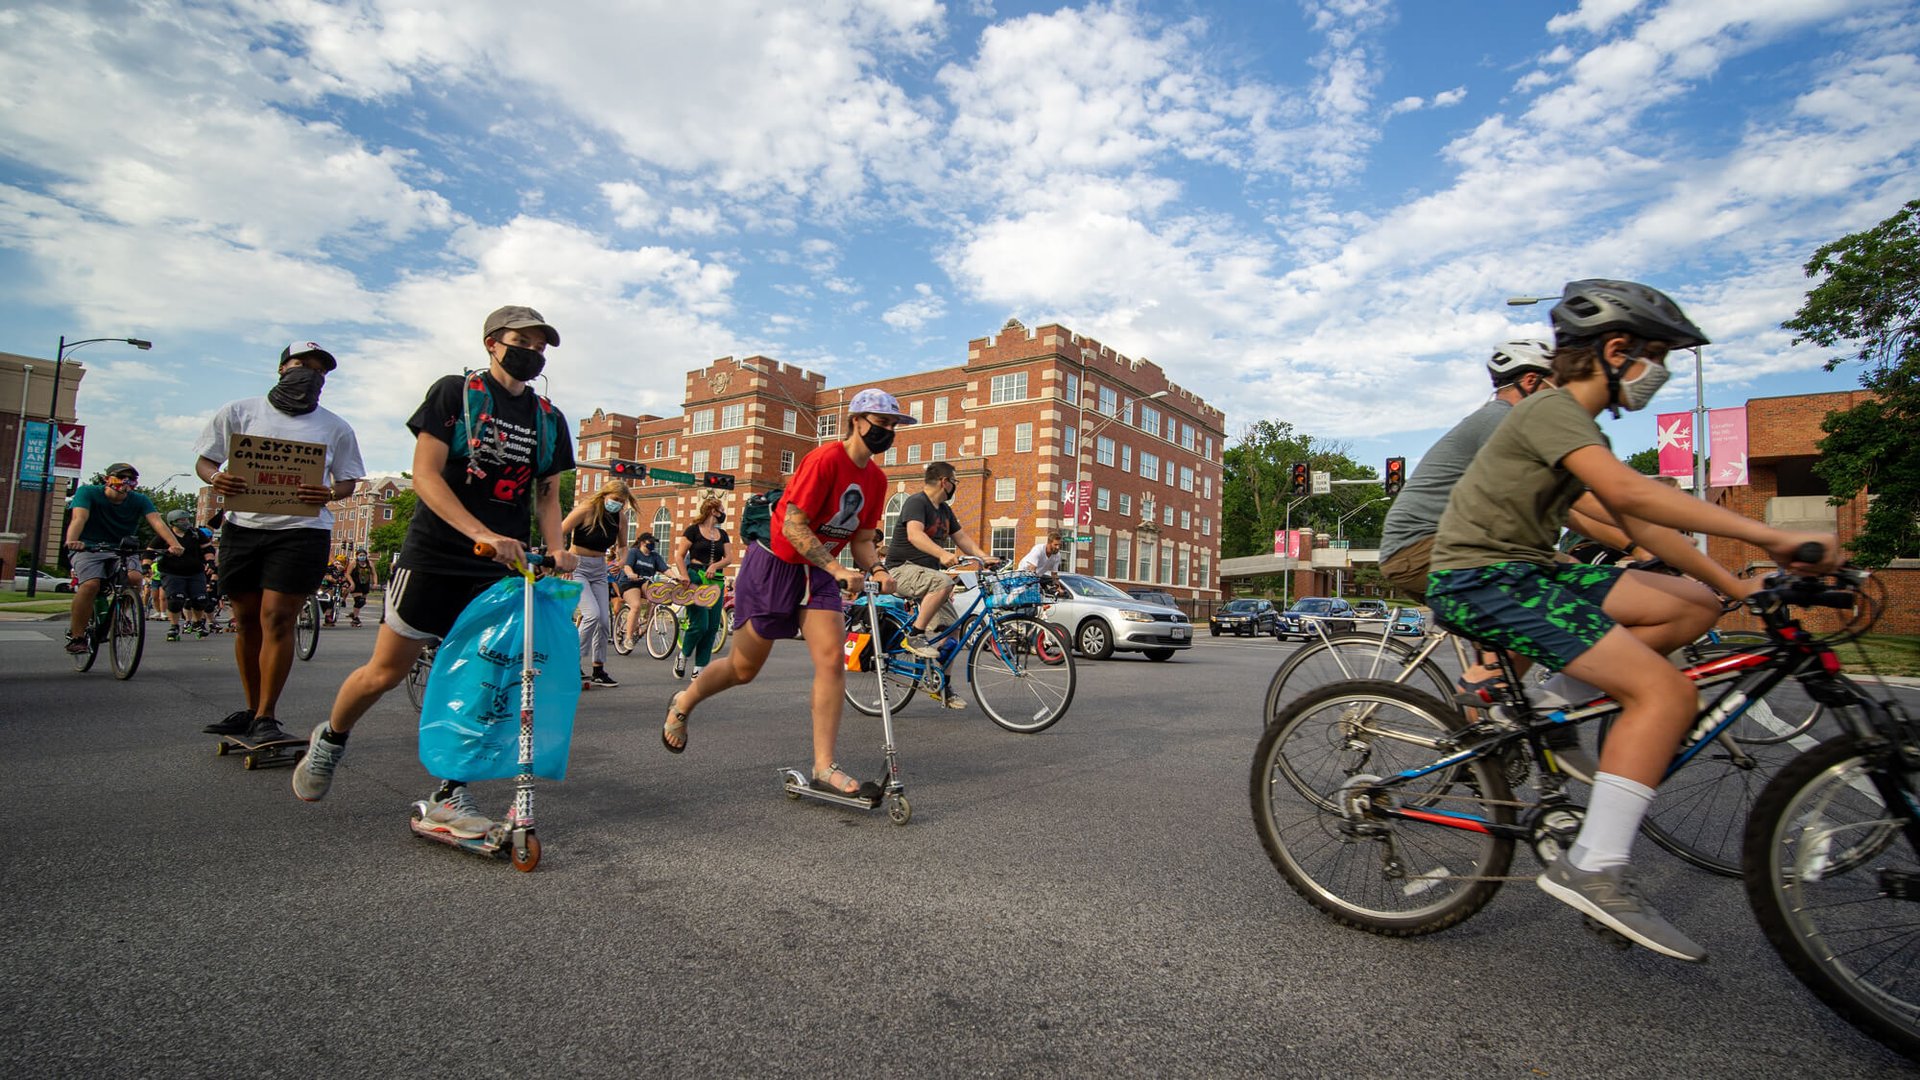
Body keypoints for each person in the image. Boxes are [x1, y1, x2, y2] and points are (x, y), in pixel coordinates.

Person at [1423, 279, 1839, 962]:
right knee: (1666, 691)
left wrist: (1730, 583)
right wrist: (1772, 537)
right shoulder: (1552, 409)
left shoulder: (1570, 424)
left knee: (1692, 605)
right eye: (1658, 357)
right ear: (1616, 350)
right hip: (1483, 579)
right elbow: (1627, 492)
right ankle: (1594, 866)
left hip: (1534, 571)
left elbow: (1637, 517)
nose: (1660, 374)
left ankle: (1557, 707)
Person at [291, 305, 576, 842]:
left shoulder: (548, 418)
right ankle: (330, 738)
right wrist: (481, 533)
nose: (533, 354)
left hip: (505, 567)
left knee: (484, 675)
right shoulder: (455, 394)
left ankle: (450, 791)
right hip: (436, 555)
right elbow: (424, 475)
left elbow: (547, 495)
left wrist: (558, 548)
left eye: (541, 346)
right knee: (386, 670)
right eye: (523, 341)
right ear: (493, 343)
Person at [660, 388, 907, 799]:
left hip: (821, 572)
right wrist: (835, 566)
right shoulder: (825, 460)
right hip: (775, 564)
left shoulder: (877, 480)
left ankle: (824, 766)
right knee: (743, 669)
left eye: (893, 425)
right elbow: (794, 526)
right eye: (881, 423)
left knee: (832, 661)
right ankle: (684, 701)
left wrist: (877, 569)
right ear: (856, 420)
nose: (888, 431)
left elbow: (863, 539)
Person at [194, 342, 366, 744]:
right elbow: (206, 461)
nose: (310, 373)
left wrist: (328, 493)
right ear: (281, 368)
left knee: (277, 617)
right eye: (301, 365)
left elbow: (347, 480)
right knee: (247, 618)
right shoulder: (239, 412)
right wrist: (214, 478)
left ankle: (267, 714)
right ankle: (253, 709)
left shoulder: (336, 427)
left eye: (320, 370)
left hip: (302, 531)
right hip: (244, 527)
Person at [885, 460, 1000, 708]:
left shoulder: (945, 511)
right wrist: (942, 555)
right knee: (943, 580)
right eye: (955, 481)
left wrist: (983, 557)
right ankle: (913, 636)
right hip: (901, 570)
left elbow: (962, 538)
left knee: (952, 630)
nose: (955, 486)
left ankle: (941, 687)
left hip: (928, 576)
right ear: (944, 481)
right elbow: (915, 534)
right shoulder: (917, 502)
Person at [62, 463, 183, 653]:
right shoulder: (88, 492)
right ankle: (77, 636)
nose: (126, 483)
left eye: (131, 480)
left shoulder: (139, 500)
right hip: (89, 547)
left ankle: (121, 615)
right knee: (90, 585)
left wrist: (173, 543)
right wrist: (72, 540)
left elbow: (156, 521)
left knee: (134, 577)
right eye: (121, 478)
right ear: (107, 479)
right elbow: (79, 517)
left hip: (121, 548)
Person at [561, 477, 630, 689]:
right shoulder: (587, 509)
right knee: (591, 614)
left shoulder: (619, 517)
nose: (617, 503)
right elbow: (560, 530)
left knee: (603, 621)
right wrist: (563, 560)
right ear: (605, 495)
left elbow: (624, 545)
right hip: (578, 565)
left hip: (600, 568)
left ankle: (598, 669)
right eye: (615, 499)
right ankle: (570, 663)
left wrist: (621, 561)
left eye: (621, 501)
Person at [669, 495, 737, 682]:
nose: (723, 513)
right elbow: (679, 555)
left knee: (713, 626)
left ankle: (699, 668)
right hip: (695, 577)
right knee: (700, 624)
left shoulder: (722, 534)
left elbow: (729, 558)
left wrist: (715, 566)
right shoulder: (693, 530)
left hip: (716, 581)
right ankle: (683, 655)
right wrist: (683, 575)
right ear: (712, 511)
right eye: (721, 509)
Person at [155, 510, 215, 641]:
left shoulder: (196, 534)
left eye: (187, 519)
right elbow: (149, 551)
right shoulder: (165, 535)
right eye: (182, 520)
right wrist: (146, 565)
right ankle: (174, 626)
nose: (186, 522)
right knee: (176, 600)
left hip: (195, 572)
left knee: (200, 600)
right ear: (172, 522)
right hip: (172, 573)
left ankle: (197, 623)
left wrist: (210, 562)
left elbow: (208, 548)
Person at [618, 531, 669, 643]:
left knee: (656, 598)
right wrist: (631, 574)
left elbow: (666, 569)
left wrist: (678, 577)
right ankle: (628, 638)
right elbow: (627, 567)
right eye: (649, 542)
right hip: (630, 582)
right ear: (642, 543)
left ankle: (646, 623)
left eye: (653, 543)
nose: (652, 545)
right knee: (636, 606)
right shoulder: (634, 552)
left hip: (645, 581)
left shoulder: (655, 556)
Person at [347, 547, 379, 627]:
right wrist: (351, 583)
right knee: (358, 601)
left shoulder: (369, 563)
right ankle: (355, 618)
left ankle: (354, 614)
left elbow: (374, 573)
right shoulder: (353, 563)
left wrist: (375, 583)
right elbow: (347, 574)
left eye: (364, 555)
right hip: (356, 584)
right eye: (361, 555)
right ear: (357, 556)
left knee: (362, 602)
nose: (362, 557)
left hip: (365, 584)